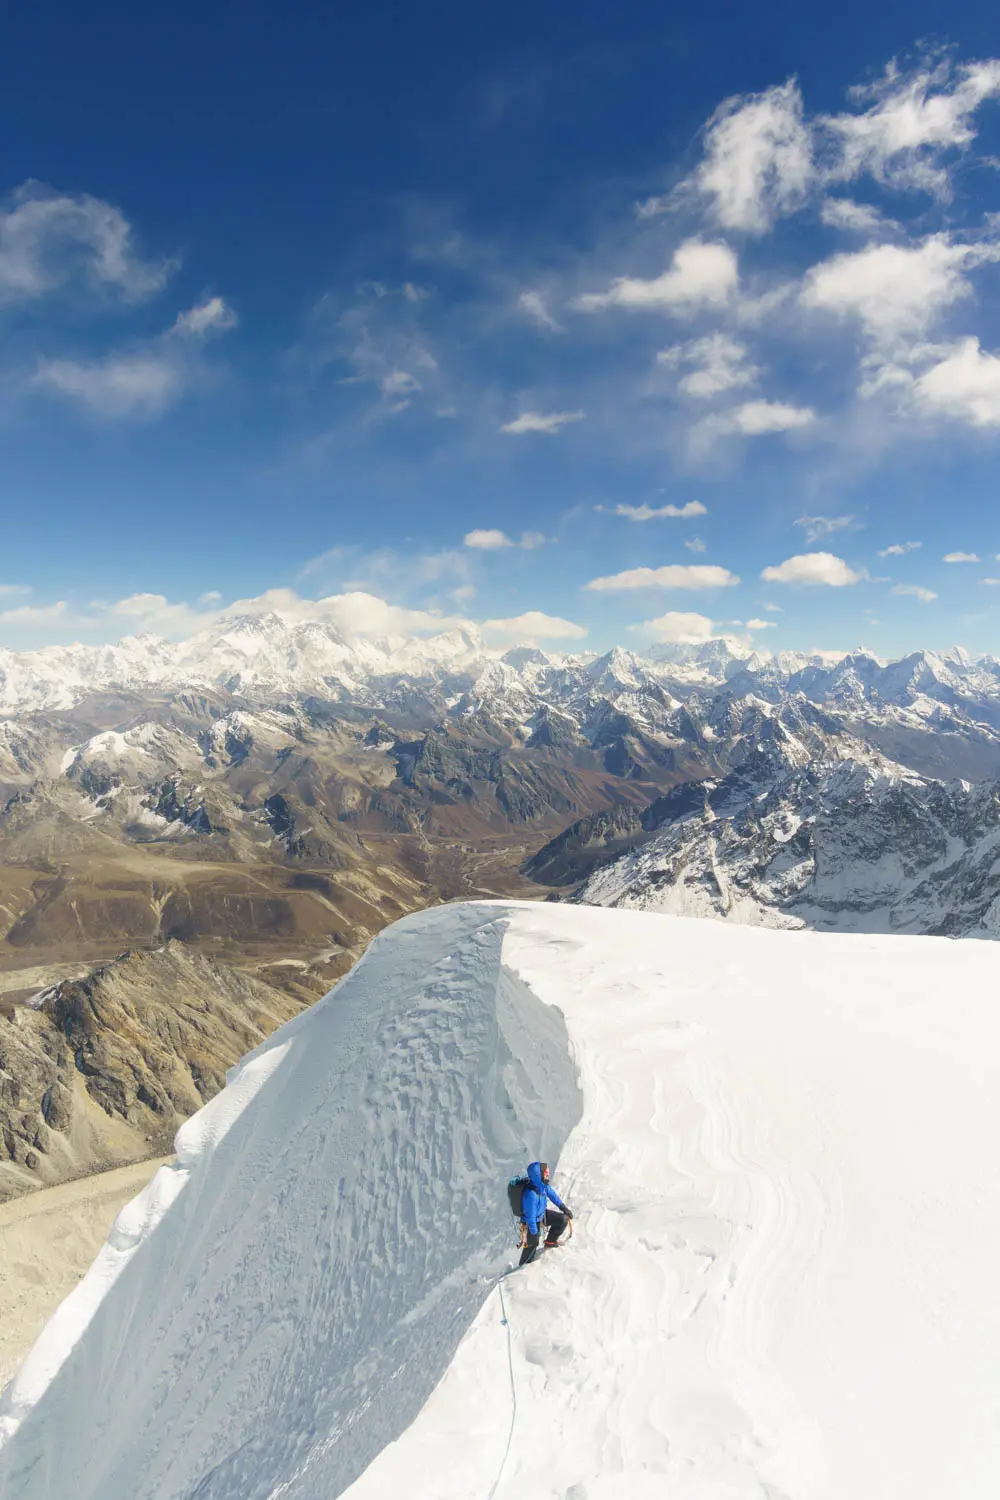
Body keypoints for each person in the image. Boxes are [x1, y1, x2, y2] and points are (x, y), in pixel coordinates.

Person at [518, 1160, 573, 1266]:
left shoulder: (542, 1186)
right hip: (531, 1222)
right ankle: (523, 1267)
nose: (548, 1175)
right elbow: (530, 1217)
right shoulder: (531, 1195)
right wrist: (534, 1233)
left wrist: (563, 1207)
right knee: (532, 1244)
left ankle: (550, 1242)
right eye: (546, 1173)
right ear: (539, 1175)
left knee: (563, 1220)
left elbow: (552, 1195)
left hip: (541, 1215)